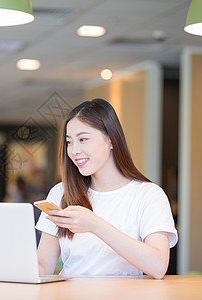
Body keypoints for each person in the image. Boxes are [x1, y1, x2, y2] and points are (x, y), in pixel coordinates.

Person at [36, 98, 177, 279]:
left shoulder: (148, 195)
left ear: (111, 140)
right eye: (69, 142)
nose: (74, 150)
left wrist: (95, 225)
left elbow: (158, 266)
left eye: (83, 139)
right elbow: (43, 266)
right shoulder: (61, 192)